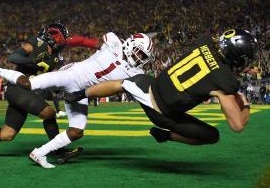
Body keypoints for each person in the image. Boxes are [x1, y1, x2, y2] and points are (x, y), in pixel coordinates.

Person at [0, 32, 155, 168]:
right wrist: (69, 42)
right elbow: (85, 41)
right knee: (28, 84)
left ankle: (39, 153)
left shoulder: (136, 72)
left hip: (82, 91)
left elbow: (113, 88)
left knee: (76, 132)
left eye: (143, 57)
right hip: (71, 74)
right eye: (139, 53)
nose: (139, 58)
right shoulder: (114, 42)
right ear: (130, 44)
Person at [65, 29, 258, 147]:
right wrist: (243, 99)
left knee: (121, 84)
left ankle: (80, 94)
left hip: (151, 85)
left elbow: (212, 64)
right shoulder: (225, 82)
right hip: (163, 113)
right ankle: (168, 136)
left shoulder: (205, 42)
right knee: (212, 136)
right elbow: (237, 125)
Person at [0, 23, 99, 167]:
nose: (62, 42)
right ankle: (60, 152)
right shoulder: (36, 43)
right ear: (50, 37)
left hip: (27, 92)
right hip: (17, 88)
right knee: (49, 113)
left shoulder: (57, 57)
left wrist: (96, 45)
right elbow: (13, 57)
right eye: (59, 38)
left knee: (7, 134)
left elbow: (79, 41)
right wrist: (32, 60)